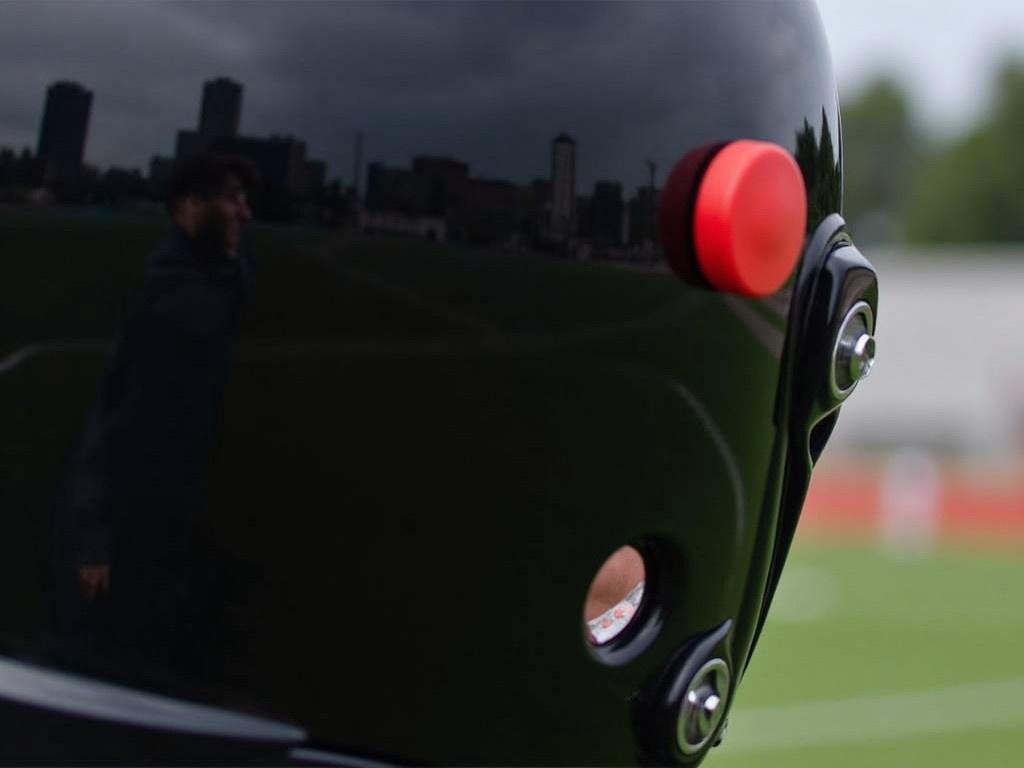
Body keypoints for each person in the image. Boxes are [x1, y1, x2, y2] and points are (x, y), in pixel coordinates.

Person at [52, 152, 256, 682]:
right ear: (189, 207)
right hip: (135, 532)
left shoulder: (209, 275)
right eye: (232, 198)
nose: (245, 213)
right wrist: (95, 539)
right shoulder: (172, 303)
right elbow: (112, 416)